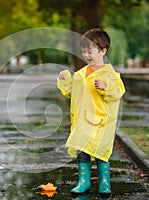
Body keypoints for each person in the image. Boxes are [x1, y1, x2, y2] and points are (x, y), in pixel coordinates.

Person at [57, 28, 125, 197]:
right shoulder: (80, 75)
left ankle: (104, 182)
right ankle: (83, 181)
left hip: (101, 122)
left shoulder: (110, 74)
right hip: (82, 122)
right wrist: (66, 82)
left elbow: (118, 91)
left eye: (90, 51)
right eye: (84, 51)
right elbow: (73, 93)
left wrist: (105, 87)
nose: (86, 55)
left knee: (101, 151)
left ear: (103, 51)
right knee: (82, 151)